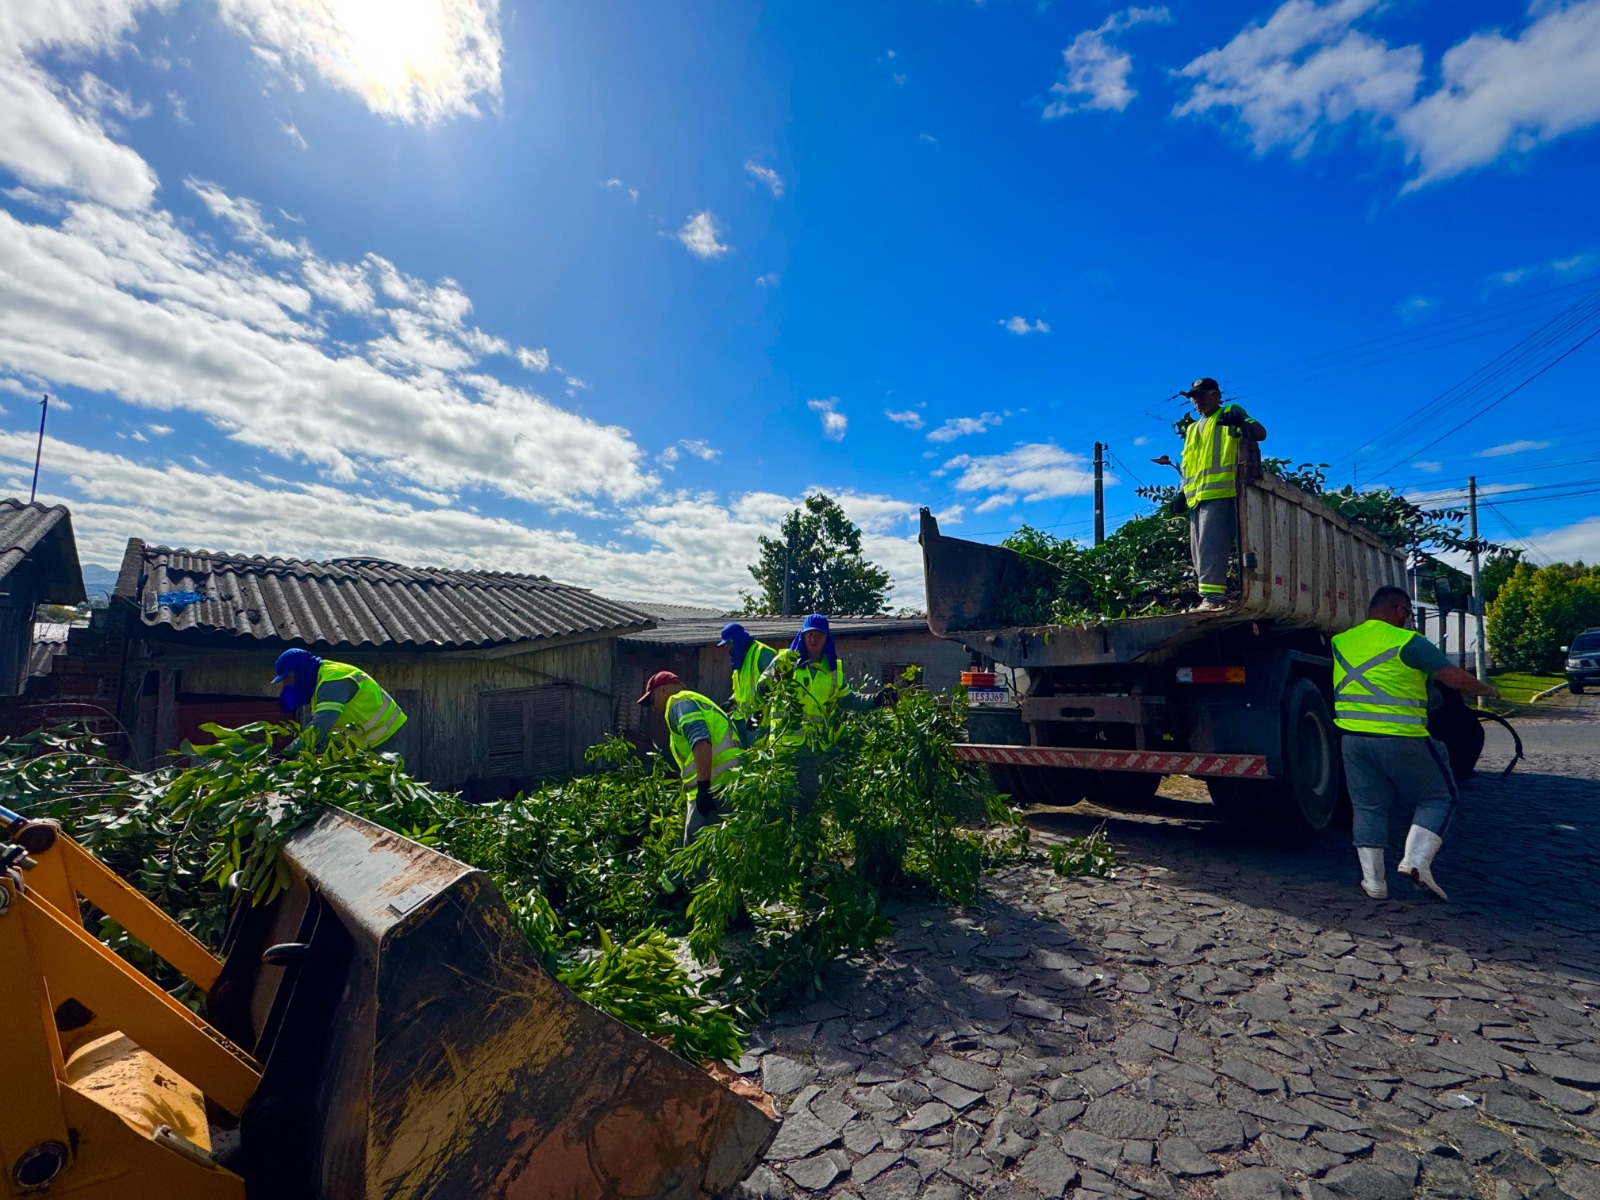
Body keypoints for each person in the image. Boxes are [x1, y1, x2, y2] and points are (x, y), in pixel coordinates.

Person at [1333, 586, 1499, 901]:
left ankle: (1374, 884)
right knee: (1440, 797)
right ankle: (1416, 861)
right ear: (1399, 610)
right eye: (1408, 614)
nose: (1407, 619)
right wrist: (1488, 691)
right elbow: (1451, 677)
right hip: (1403, 737)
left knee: (1368, 807)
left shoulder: (1341, 641)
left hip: (1353, 739)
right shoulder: (1409, 642)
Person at [1152, 377, 1266, 610]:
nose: (1197, 401)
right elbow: (1189, 465)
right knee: (1199, 549)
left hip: (1222, 491)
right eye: (1194, 397)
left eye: (1202, 395)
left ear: (1216, 394)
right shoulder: (1192, 429)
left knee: (1210, 546)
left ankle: (1214, 599)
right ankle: (1209, 596)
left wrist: (1242, 423)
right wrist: (1182, 492)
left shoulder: (1230, 412)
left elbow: (1260, 433)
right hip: (1197, 497)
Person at [638, 670, 742, 845]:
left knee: (696, 853)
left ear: (664, 690)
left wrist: (703, 788)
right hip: (732, 784)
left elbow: (700, 741)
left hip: (713, 787)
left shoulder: (678, 703)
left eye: (651, 700)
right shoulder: (696, 701)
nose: (653, 708)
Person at [272, 647, 407, 752]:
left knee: (380, 785)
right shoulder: (320, 682)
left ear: (301, 671)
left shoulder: (332, 682)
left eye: (288, 678)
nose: (287, 684)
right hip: (366, 740)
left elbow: (320, 727)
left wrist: (291, 752)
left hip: (384, 734)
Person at [718, 621, 778, 742]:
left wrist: (758, 715)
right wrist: (732, 700)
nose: (727, 648)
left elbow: (775, 688)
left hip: (758, 719)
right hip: (740, 719)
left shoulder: (764, 653)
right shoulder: (738, 657)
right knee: (742, 757)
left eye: (729, 644)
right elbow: (742, 688)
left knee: (756, 756)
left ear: (737, 640)